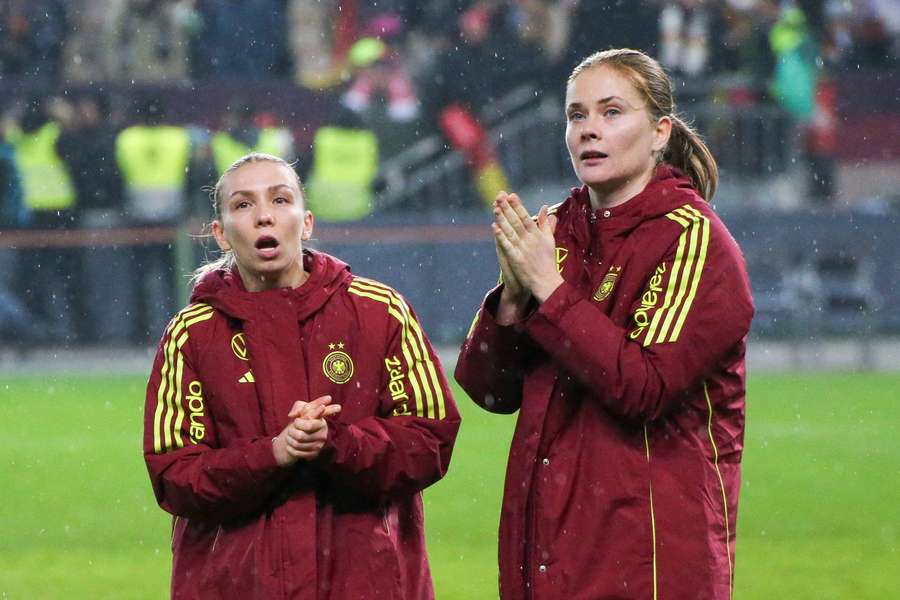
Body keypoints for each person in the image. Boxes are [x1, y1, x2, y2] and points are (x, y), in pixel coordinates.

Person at [455, 48, 754, 600]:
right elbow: (489, 390)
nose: (589, 130)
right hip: (546, 551)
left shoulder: (693, 240)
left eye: (612, 112)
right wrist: (514, 297)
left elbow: (643, 390)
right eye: (577, 116)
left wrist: (550, 288)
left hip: (650, 560)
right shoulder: (557, 230)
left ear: (661, 131)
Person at [143, 152, 460, 599]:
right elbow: (174, 475)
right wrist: (273, 453)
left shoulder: (380, 311)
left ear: (306, 222)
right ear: (221, 234)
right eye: (243, 205)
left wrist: (336, 443)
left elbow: (430, 440)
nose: (264, 216)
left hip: (365, 585)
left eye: (280, 199)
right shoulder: (191, 335)